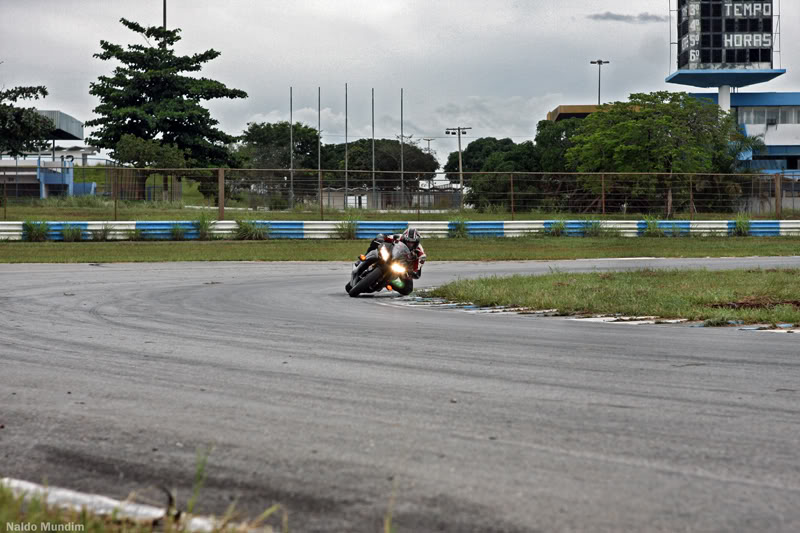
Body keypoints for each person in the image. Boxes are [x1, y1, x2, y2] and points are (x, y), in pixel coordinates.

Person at [348, 228, 426, 295]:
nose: (410, 244)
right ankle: (362, 261)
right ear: (404, 239)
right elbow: (385, 237)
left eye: (412, 243)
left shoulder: (420, 253)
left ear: (417, 243)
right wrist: (381, 237)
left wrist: (412, 272)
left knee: (408, 289)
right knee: (375, 246)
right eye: (408, 241)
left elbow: (417, 272)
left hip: (402, 266)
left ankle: (389, 282)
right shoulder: (398, 237)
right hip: (390, 256)